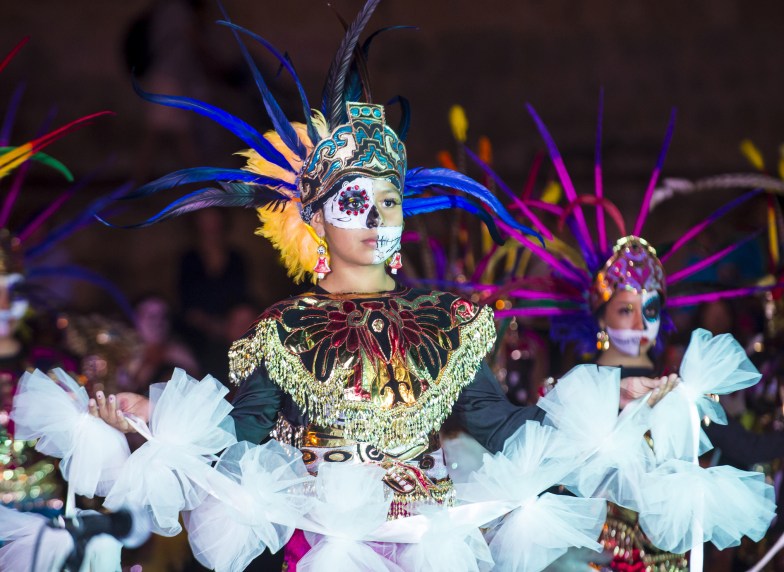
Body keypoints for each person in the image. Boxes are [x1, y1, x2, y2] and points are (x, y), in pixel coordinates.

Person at [84, 3, 685, 570]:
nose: (377, 219)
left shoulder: (446, 319)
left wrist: (607, 408)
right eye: (355, 201)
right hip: (330, 541)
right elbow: (241, 429)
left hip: (430, 539)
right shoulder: (287, 329)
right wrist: (154, 416)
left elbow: (499, 425)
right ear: (315, 219)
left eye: (390, 202)